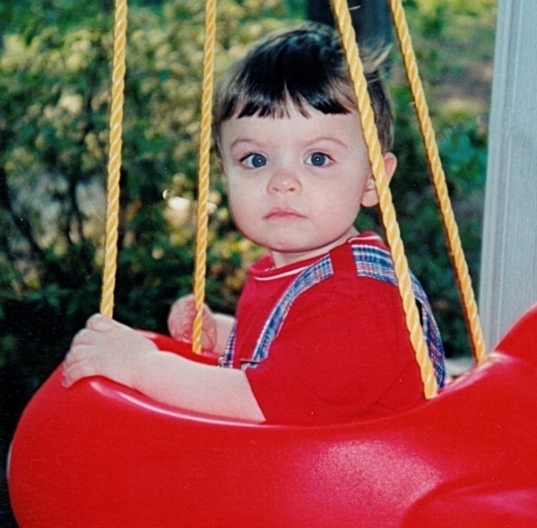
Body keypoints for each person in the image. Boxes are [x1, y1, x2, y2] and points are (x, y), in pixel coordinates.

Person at [63, 23, 445, 424]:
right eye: (256, 160)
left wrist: (142, 366)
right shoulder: (290, 273)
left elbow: (260, 402)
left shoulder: (357, 297)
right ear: (226, 171)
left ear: (373, 180)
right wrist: (224, 334)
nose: (282, 182)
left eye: (318, 158)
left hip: (374, 482)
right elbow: (290, 359)